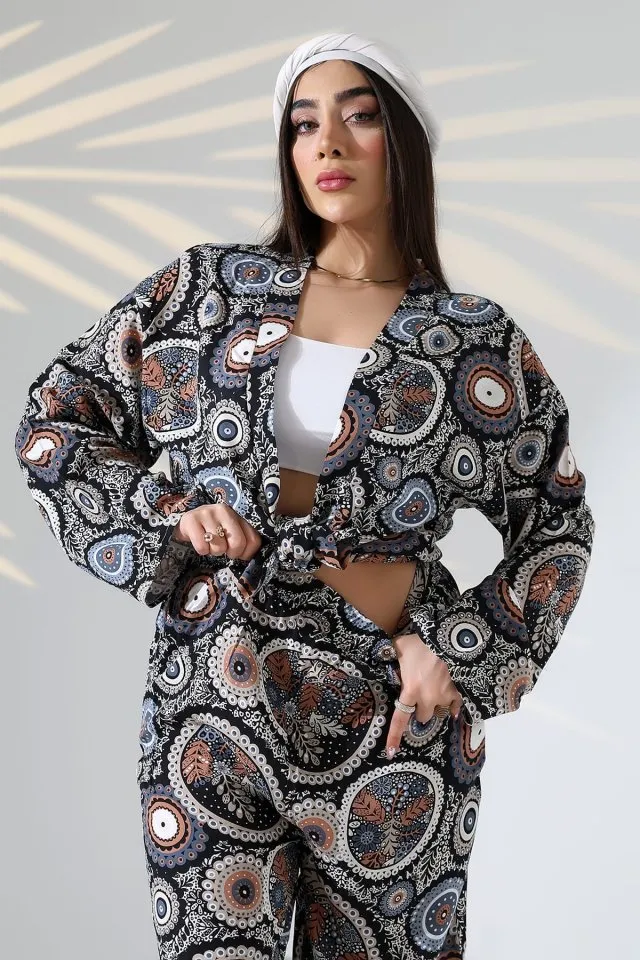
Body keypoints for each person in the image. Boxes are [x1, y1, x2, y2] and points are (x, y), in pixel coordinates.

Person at [14, 32, 595, 960]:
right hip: (216, 699)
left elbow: (557, 519)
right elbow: (57, 418)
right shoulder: (206, 292)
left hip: (393, 723)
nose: (327, 143)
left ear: (402, 142)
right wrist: (168, 521)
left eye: (359, 118)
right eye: (303, 124)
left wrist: (459, 651)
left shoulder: (472, 339)